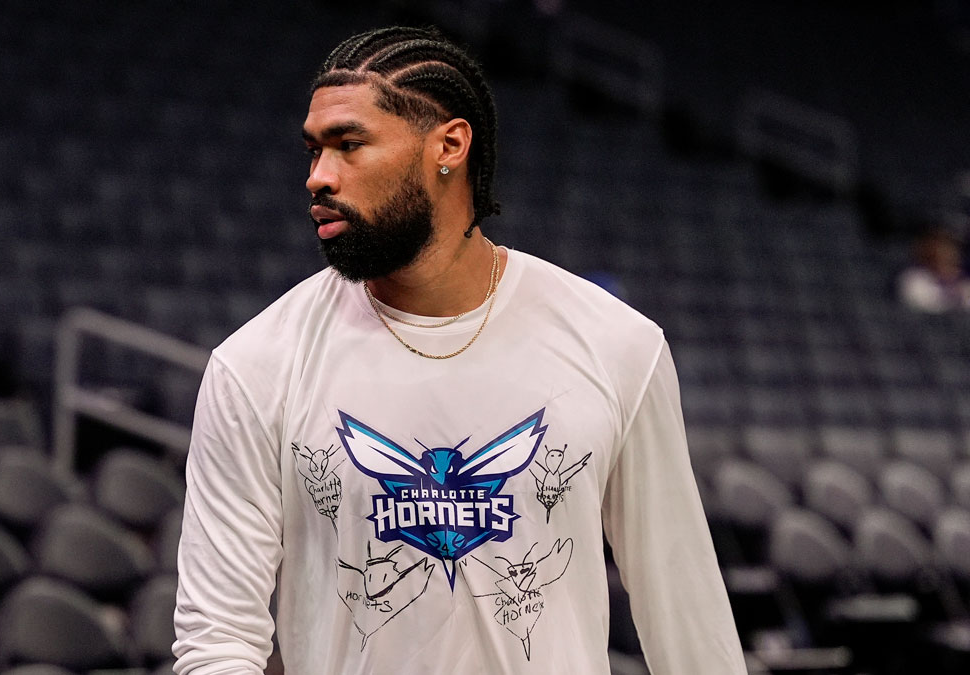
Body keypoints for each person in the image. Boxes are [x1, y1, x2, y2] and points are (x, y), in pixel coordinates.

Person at [173, 26, 745, 674]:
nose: (317, 177)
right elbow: (216, 642)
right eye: (313, 151)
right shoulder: (254, 366)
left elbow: (689, 621)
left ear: (448, 145)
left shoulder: (618, 346)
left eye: (348, 145)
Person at [896, 229, 970, 313]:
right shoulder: (913, 280)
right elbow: (924, 313)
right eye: (936, 253)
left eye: (948, 251)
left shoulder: (965, 283)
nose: (945, 256)